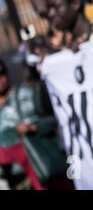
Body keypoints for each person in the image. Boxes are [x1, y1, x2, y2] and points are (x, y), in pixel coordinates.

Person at [0, 59, 53, 190]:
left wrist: (32, 127)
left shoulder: (27, 94)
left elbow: (53, 120)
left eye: (1, 73)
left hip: (40, 173)